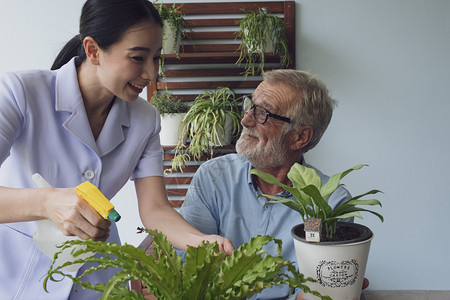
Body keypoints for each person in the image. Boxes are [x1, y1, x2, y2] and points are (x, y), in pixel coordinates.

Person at [0, 0, 232, 299]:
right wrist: (46, 202)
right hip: (20, 276)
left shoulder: (145, 118)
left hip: (100, 281)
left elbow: (155, 210)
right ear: (93, 50)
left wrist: (200, 242)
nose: (151, 74)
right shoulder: (19, 92)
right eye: (138, 58)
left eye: (157, 58)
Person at [179, 69, 368, 300]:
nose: (246, 119)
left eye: (263, 114)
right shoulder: (213, 177)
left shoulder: (330, 201)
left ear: (300, 137)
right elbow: (190, 266)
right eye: (250, 106)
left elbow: (316, 289)